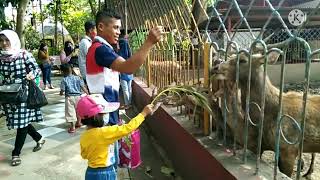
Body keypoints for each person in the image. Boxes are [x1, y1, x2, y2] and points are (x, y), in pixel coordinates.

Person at [86, 7, 162, 126]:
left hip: (105, 111)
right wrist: (149, 42)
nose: (119, 32)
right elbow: (128, 67)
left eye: (119, 28)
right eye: (115, 27)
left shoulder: (99, 48)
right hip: (105, 115)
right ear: (101, 27)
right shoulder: (100, 49)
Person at [76, 95, 160, 180]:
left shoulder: (84, 136)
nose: (106, 115)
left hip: (90, 172)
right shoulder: (105, 132)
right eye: (104, 113)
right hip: (105, 173)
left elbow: (84, 155)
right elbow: (129, 127)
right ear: (95, 116)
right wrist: (144, 113)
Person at [0, 30, 45, 166]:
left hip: (23, 95)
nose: (4, 43)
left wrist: (32, 74)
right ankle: (39, 138)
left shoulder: (24, 54)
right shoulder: (0, 57)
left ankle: (16, 153)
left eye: (6, 40)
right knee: (21, 122)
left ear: (13, 40)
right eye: (1, 40)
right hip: (8, 95)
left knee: (21, 122)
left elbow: (37, 69)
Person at [60, 63, 89, 133]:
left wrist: (61, 93)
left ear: (63, 72)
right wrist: (87, 93)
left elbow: (63, 90)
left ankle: (72, 127)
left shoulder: (64, 80)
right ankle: (79, 122)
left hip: (69, 98)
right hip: (78, 97)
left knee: (70, 112)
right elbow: (83, 87)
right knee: (78, 111)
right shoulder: (78, 78)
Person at [117, 35, 133, 109]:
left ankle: (127, 104)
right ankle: (129, 103)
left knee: (125, 90)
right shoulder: (129, 53)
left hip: (123, 74)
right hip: (130, 74)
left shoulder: (119, 54)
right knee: (129, 89)